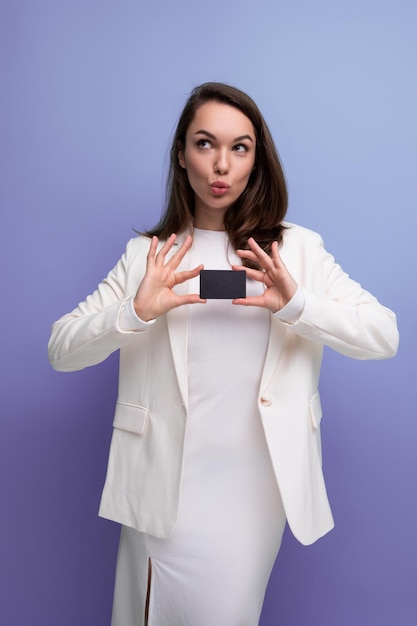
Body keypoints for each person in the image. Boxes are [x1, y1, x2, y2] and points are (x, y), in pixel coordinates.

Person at [48, 82, 399, 626]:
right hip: (162, 488)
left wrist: (297, 304)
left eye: (240, 147)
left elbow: (384, 335)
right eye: (205, 143)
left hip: (252, 494)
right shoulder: (147, 255)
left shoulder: (297, 251)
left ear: (258, 160)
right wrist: (135, 312)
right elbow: (61, 350)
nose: (220, 164)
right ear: (181, 154)